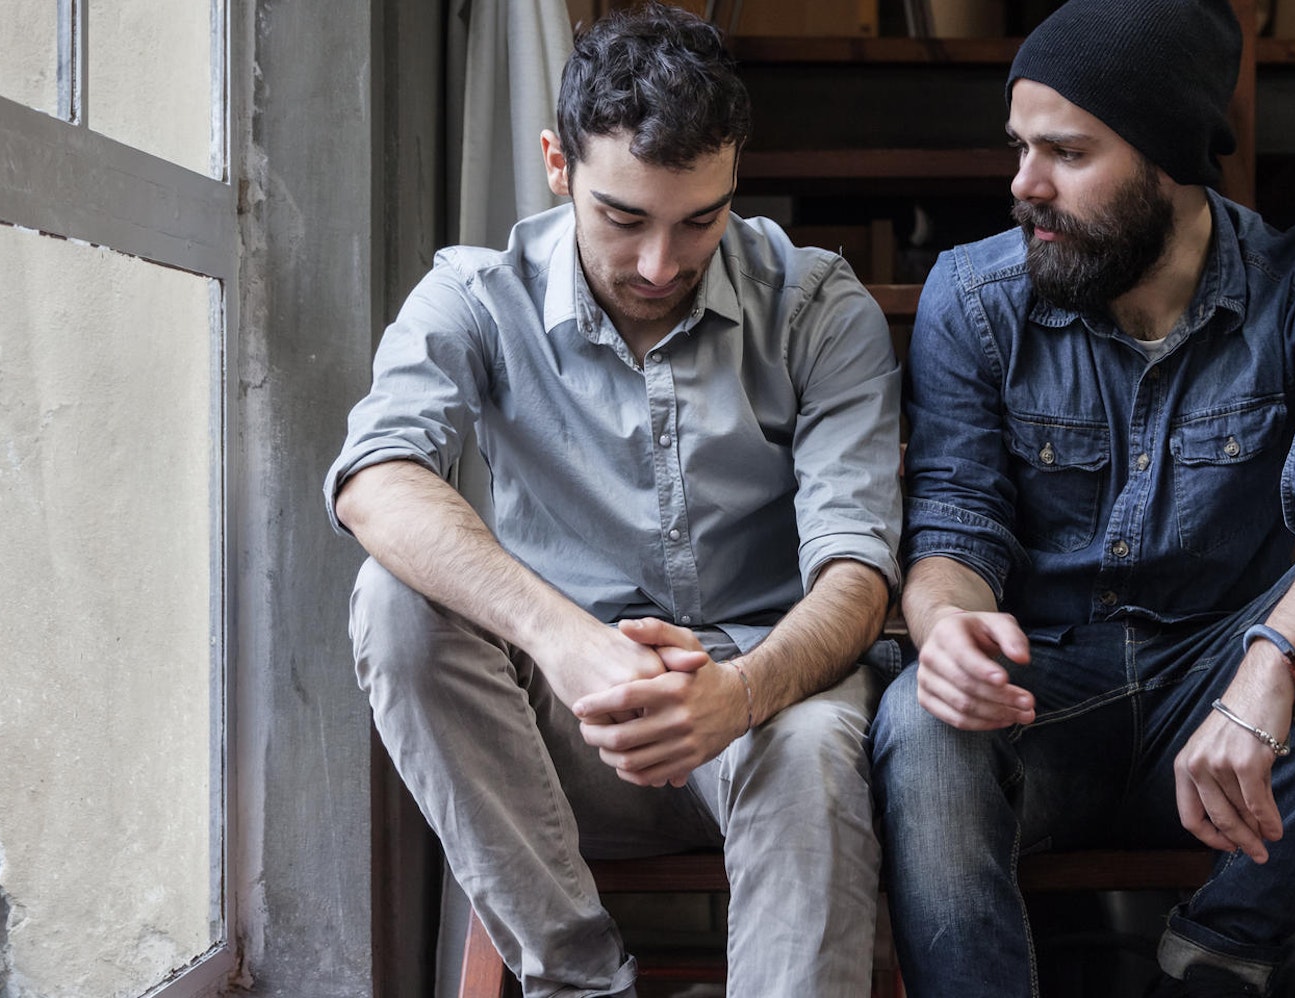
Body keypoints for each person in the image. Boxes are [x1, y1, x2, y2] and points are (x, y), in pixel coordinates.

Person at [870, 0, 1295, 994]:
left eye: (1066, 152)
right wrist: (947, 632)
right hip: (1044, 697)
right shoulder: (974, 297)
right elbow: (952, 535)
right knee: (919, 719)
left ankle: (1223, 950)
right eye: (1021, 148)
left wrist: (1275, 660)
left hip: (1234, 705)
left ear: (1170, 160)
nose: (1025, 185)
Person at [324, 5, 902, 995]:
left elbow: (858, 571)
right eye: (623, 217)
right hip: (561, 732)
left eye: (700, 221)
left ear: (733, 179)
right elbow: (375, 479)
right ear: (559, 164)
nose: (658, 265)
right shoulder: (476, 294)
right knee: (393, 600)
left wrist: (743, 690)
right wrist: (566, 640)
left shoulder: (818, 305)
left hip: (767, 710)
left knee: (811, 747)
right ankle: (583, 984)